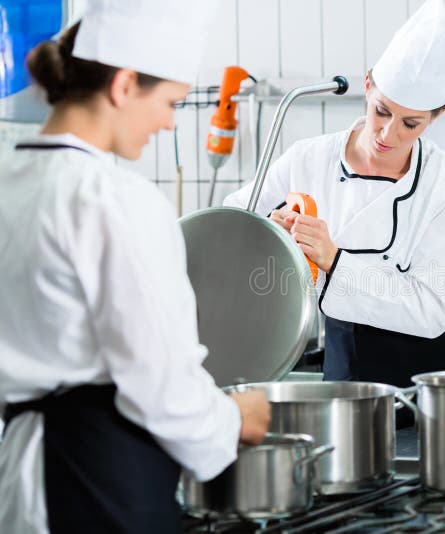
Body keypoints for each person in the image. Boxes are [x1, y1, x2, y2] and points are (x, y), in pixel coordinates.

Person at [0, 2, 271, 533]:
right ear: (124, 86)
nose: (169, 121)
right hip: (99, 483)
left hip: (23, 475)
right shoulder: (113, 199)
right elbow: (160, 382)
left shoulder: (8, 178)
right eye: (169, 101)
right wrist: (234, 418)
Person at [225, 0, 445, 389]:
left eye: (410, 124)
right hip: (348, 362)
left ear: (436, 116)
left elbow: (431, 309)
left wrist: (333, 259)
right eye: (382, 111)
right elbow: (231, 222)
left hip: (436, 377)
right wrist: (269, 230)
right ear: (366, 87)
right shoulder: (308, 159)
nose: (387, 134)